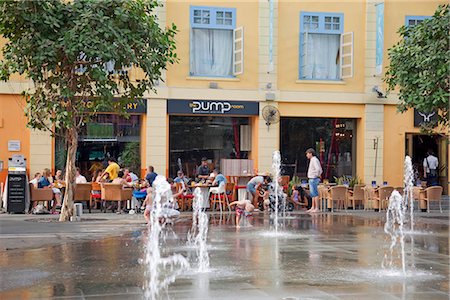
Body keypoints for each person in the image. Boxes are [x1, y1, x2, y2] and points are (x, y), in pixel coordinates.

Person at [305, 148, 322, 213]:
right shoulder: (313, 160)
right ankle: (313, 207)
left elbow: (318, 169)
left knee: (315, 193)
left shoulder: (314, 160)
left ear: (311, 153)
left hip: (313, 178)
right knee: (312, 194)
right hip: (312, 178)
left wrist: (317, 175)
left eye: (307, 154)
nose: (307, 155)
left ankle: (316, 208)